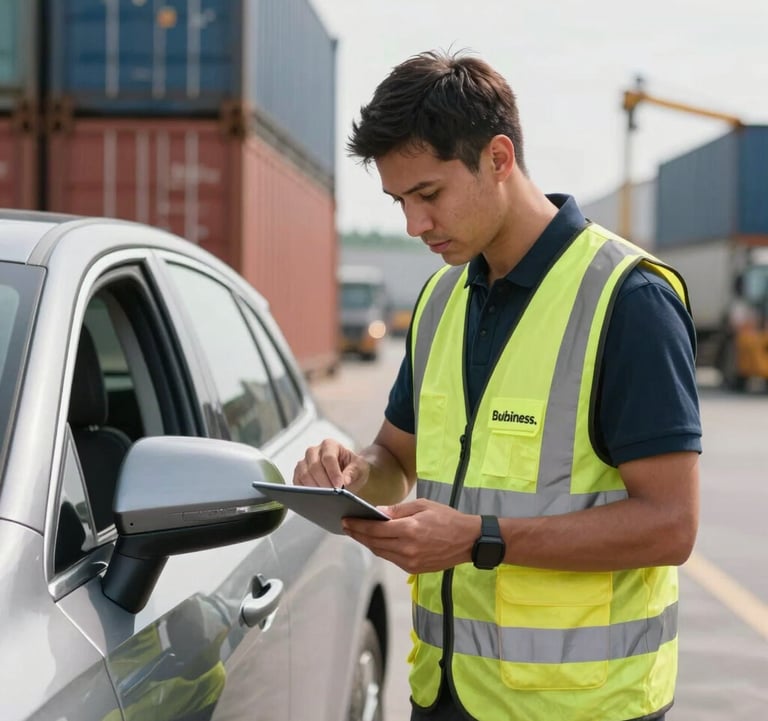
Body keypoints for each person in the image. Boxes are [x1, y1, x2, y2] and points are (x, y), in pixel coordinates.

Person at [294, 49, 701, 721]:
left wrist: (483, 536)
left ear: (499, 158)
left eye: (428, 195)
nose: (413, 225)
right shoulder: (440, 299)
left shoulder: (628, 299)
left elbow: (671, 524)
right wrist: (352, 474)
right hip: (446, 693)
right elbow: (396, 460)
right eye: (400, 201)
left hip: (582, 707)